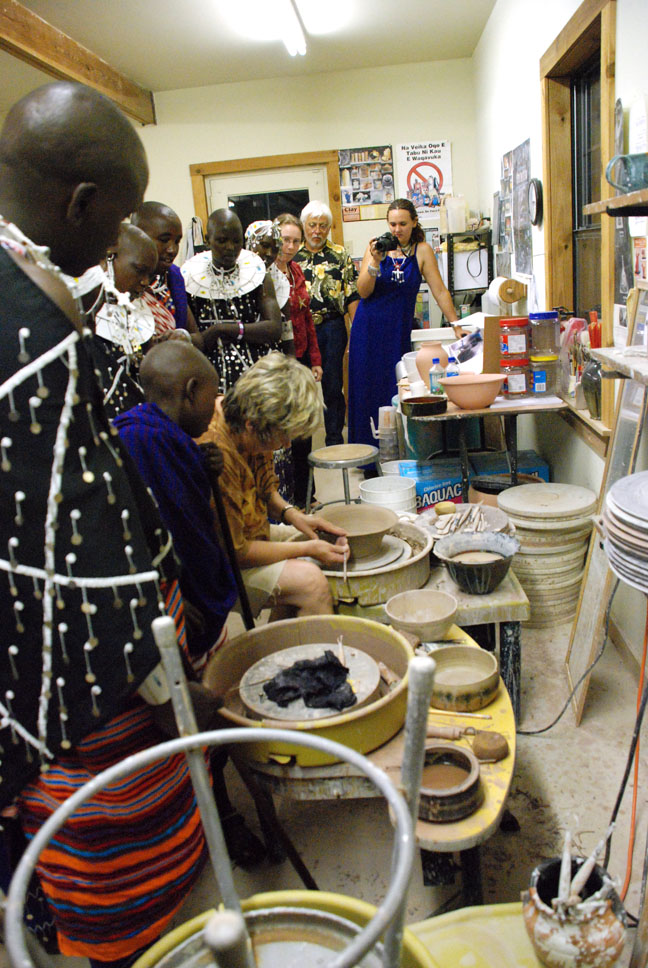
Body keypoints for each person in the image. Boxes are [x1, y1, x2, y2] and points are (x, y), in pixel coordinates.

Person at [0, 81, 219, 966]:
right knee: (112, 817)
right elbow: (73, 535)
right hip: (68, 646)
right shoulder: (37, 312)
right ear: (82, 204)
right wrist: (166, 671)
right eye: (118, 218)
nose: (124, 242)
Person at [114, 341, 267, 868]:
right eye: (214, 394)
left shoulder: (165, 437)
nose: (218, 404)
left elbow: (181, 507)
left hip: (193, 598)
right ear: (191, 390)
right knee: (198, 719)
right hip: (179, 609)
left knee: (206, 714)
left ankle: (218, 809)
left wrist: (197, 470)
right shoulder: (141, 441)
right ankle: (217, 817)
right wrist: (183, 597)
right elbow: (161, 535)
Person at [198, 352, 349, 618]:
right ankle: (317, 658)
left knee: (318, 536)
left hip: (249, 532)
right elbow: (239, 552)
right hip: (215, 565)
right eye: (284, 437)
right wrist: (305, 548)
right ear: (252, 426)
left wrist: (293, 515)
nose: (287, 445)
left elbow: (264, 489)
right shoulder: (215, 452)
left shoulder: (248, 417)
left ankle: (283, 645)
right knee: (311, 581)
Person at [348, 198, 460, 447]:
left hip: (397, 331)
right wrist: (375, 262)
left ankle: (397, 450)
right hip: (368, 330)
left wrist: (455, 324)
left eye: (402, 223)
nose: (397, 229)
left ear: (414, 222)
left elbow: (439, 291)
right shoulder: (376, 249)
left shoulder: (422, 251)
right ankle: (368, 453)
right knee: (367, 389)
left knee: (395, 387)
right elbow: (363, 291)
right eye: (392, 224)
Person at [182, 208, 282, 391]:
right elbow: (191, 338)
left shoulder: (259, 276)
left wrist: (223, 329)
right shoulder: (188, 280)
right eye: (222, 240)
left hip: (256, 374)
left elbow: (274, 328)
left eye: (236, 241)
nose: (230, 247)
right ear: (207, 240)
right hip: (208, 374)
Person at [294, 200, 359, 446]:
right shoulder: (293, 256)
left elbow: (352, 294)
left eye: (323, 226)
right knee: (302, 385)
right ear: (303, 226)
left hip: (332, 327)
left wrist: (357, 332)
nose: (317, 231)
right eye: (312, 225)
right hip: (301, 328)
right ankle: (301, 441)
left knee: (333, 385)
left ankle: (333, 439)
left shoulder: (340, 255)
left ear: (329, 228)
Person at [274, 213, 323, 508]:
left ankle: (308, 496)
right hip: (279, 362)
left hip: (302, 357)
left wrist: (315, 359)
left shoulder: (296, 271)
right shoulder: (262, 273)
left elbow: (306, 318)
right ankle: (286, 499)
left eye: (295, 241)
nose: (290, 246)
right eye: (285, 240)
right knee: (283, 433)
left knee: (304, 429)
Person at [131, 201, 200, 340]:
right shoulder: (119, 280)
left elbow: (197, 337)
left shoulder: (173, 277)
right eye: (164, 240)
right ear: (138, 235)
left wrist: (183, 337)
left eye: (177, 241)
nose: (172, 250)